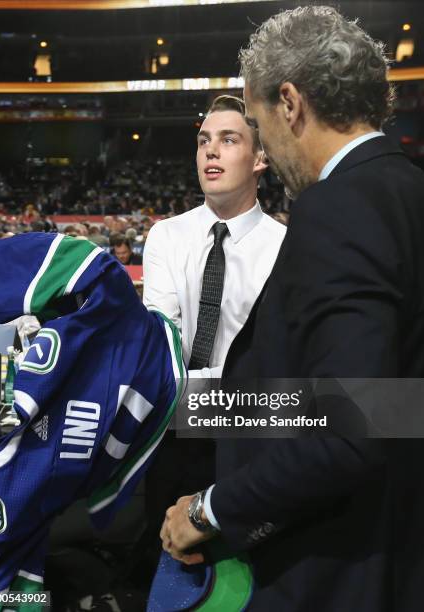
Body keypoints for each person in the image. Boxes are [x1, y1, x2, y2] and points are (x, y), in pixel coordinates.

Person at [160, 6, 424, 611]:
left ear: (290, 103)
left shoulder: (339, 207)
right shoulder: (409, 190)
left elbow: (351, 430)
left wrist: (211, 507)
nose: (268, 153)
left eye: (252, 125)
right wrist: (201, 414)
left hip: (335, 560)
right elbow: (395, 402)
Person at [142, 94, 285, 580]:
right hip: (173, 439)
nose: (211, 151)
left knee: (241, 578)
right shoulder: (166, 237)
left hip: (248, 444)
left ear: (260, 158)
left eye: (228, 140)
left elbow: (274, 368)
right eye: (204, 140)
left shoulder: (288, 247)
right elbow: (163, 349)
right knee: (164, 574)